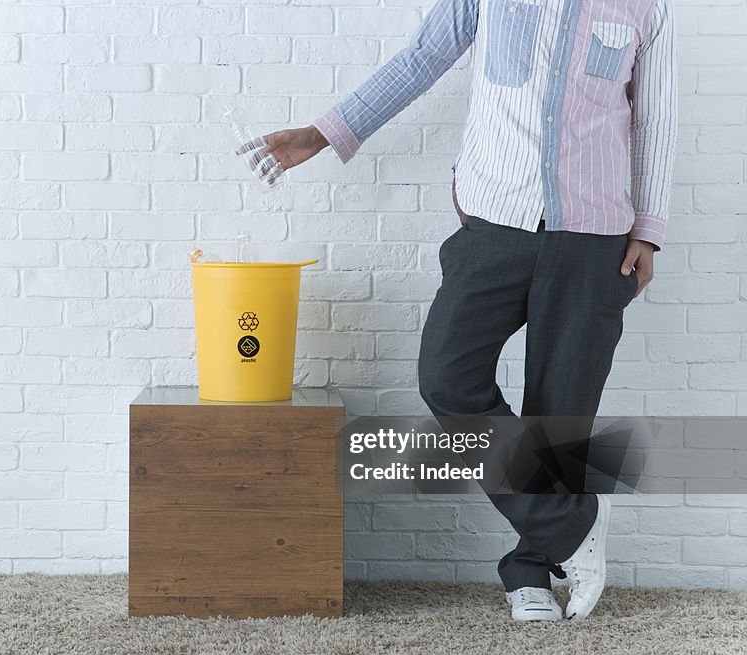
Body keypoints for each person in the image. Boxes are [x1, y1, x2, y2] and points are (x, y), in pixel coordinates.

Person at [241, 0, 677, 621]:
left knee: (559, 417)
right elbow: (422, 59)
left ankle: (530, 569)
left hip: (595, 237)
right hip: (494, 226)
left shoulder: (648, 7)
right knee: (448, 376)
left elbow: (655, 120)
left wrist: (649, 229)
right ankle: (571, 522)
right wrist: (321, 133)